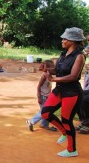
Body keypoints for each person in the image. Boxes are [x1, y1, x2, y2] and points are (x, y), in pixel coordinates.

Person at [41, 27, 86, 157]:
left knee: (67, 120)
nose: (62, 40)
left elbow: (73, 76)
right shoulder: (63, 53)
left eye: (65, 38)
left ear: (73, 40)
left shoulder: (80, 56)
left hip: (72, 93)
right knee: (45, 113)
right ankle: (64, 132)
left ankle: (72, 150)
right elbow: (56, 70)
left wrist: (53, 79)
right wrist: (47, 69)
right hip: (60, 90)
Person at [26, 60, 57, 132]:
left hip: (47, 97)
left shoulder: (49, 75)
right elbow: (38, 87)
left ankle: (44, 125)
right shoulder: (44, 75)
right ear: (48, 67)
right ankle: (31, 121)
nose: (54, 68)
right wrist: (39, 97)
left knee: (47, 111)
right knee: (44, 112)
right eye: (52, 67)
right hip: (42, 97)